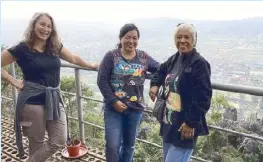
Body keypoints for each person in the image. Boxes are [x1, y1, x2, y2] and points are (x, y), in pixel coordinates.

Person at [1, 12, 99, 162]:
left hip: (53, 99)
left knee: (59, 139)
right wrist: (13, 81)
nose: (45, 29)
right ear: (34, 25)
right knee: (36, 143)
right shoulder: (22, 48)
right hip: (31, 102)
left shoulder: (54, 46)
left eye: (49, 26)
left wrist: (91, 65)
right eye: (42, 24)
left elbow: (73, 58)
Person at [149, 23, 212, 162]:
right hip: (169, 123)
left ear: (193, 40)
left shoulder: (199, 64)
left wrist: (191, 123)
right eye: (179, 37)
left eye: (187, 37)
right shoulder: (174, 59)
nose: (182, 40)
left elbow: (204, 97)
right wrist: (154, 84)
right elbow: (160, 71)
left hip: (185, 126)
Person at [97, 23, 160, 162]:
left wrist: (154, 84)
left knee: (129, 146)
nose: (131, 41)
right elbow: (102, 81)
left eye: (135, 38)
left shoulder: (143, 57)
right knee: (112, 146)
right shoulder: (111, 56)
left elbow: (160, 70)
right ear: (121, 38)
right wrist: (114, 101)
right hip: (113, 109)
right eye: (127, 37)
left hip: (135, 110)